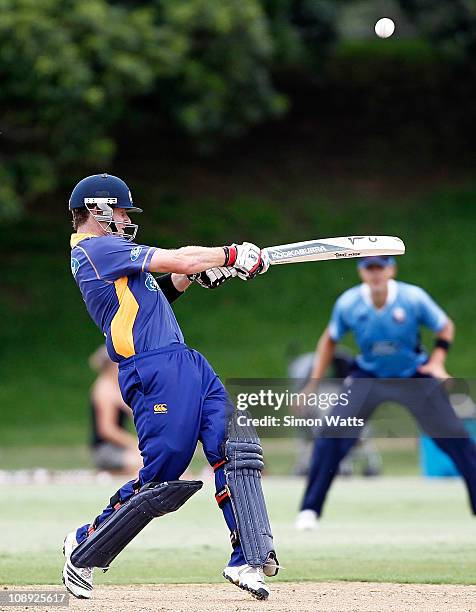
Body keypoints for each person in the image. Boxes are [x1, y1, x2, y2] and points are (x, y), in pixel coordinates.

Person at [63, 173, 279, 601]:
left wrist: (197, 276)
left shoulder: (117, 258)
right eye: (121, 211)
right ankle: (83, 545)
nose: (126, 219)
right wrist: (231, 254)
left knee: (236, 444)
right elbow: (179, 259)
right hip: (153, 369)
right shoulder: (95, 249)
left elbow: (155, 294)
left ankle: (248, 557)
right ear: (97, 209)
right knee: (162, 478)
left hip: (184, 360)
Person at [294, 255, 476, 530]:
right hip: (369, 376)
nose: (376, 274)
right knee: (329, 437)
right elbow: (329, 340)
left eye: (381, 267)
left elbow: (445, 326)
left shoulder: (413, 298)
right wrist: (312, 384)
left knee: (456, 438)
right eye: (370, 268)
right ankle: (309, 510)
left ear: (391, 269)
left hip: (412, 375)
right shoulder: (349, 303)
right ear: (361, 272)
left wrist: (437, 363)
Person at [89, 345, 142, 474]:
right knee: (145, 462)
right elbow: (107, 429)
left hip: (117, 448)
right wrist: (134, 443)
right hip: (107, 450)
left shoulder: (114, 388)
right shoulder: (104, 390)